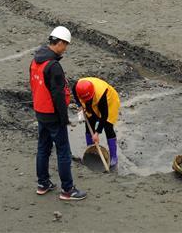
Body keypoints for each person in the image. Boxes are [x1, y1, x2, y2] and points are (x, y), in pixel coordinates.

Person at [31, 26, 86, 200]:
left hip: (40, 111)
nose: (66, 49)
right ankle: (68, 190)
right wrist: (64, 119)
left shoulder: (35, 61)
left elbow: (33, 85)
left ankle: (43, 183)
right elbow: (58, 95)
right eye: (65, 45)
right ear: (59, 43)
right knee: (63, 152)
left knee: (43, 148)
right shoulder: (53, 66)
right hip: (53, 114)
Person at [73, 77, 121, 168]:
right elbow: (74, 93)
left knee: (108, 126)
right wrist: (79, 105)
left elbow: (104, 115)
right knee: (89, 122)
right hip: (89, 99)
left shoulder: (101, 94)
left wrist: (97, 133)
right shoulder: (77, 87)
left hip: (109, 100)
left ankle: (114, 157)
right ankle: (90, 151)